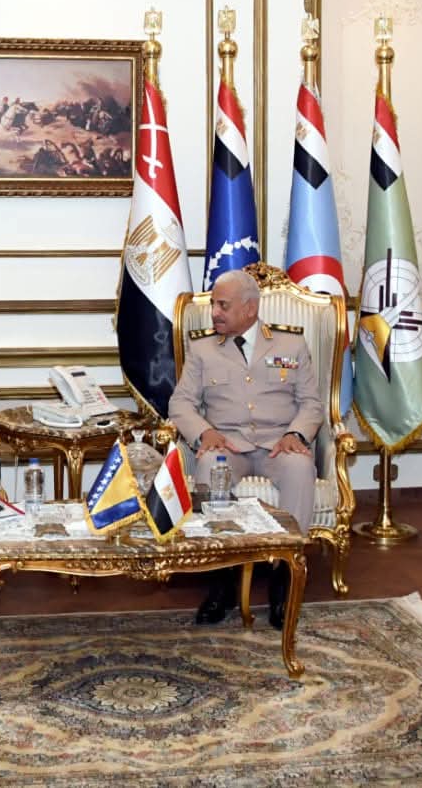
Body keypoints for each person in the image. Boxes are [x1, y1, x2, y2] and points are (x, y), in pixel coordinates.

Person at [169, 269, 324, 629]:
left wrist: (296, 434)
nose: (215, 313)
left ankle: (285, 578)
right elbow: (181, 403)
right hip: (228, 444)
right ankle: (222, 580)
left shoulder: (290, 345)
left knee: (301, 468)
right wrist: (204, 432)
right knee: (210, 467)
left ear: (250, 308)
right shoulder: (203, 348)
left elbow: (311, 404)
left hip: (277, 445)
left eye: (223, 305)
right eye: (213, 305)